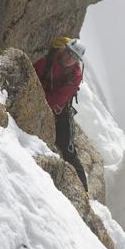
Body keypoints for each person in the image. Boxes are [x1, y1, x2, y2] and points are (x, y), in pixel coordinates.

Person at [34, 37, 88, 192]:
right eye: (69, 53)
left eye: (74, 57)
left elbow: (58, 99)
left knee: (69, 151)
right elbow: (32, 73)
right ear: (64, 49)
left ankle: (84, 192)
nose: (69, 58)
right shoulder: (49, 59)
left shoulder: (75, 76)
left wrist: (36, 98)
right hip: (41, 99)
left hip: (60, 113)